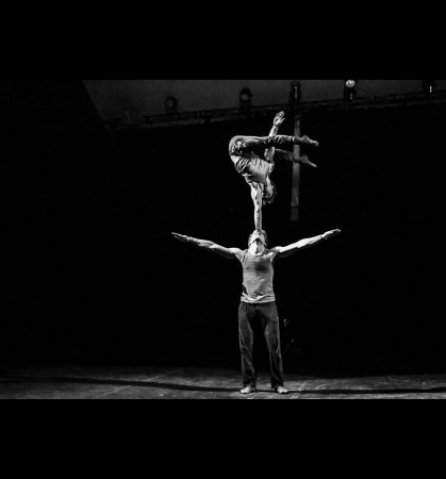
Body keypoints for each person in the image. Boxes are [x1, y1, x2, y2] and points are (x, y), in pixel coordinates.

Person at [172, 227, 341, 394]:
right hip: (246, 305)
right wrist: (188, 239)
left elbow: (300, 245)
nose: (258, 234)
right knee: (245, 347)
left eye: (261, 234)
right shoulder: (241, 254)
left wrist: (323, 236)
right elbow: (211, 246)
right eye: (255, 233)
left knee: (274, 346)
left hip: (268, 305)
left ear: (265, 241)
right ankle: (249, 384)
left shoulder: (272, 253)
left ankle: (277, 384)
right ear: (249, 241)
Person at [228, 112, 319, 230]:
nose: (266, 194)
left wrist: (258, 231)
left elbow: (258, 209)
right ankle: (300, 150)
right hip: (245, 149)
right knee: (271, 148)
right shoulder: (269, 168)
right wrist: (275, 126)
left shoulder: (256, 187)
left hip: (235, 148)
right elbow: (270, 146)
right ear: (273, 187)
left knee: (268, 145)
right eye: (269, 195)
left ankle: (300, 148)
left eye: (265, 196)